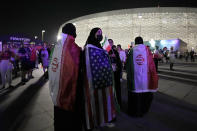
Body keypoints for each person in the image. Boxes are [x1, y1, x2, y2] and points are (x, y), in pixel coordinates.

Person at [49, 23, 83, 131]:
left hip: (57, 90)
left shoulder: (56, 47)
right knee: (70, 121)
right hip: (71, 93)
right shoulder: (75, 49)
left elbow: (52, 67)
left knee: (59, 119)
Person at [83, 28, 116, 130]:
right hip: (92, 80)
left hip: (103, 79)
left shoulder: (99, 47)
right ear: (93, 34)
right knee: (94, 102)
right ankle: (94, 122)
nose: (100, 35)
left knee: (103, 101)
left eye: (101, 33)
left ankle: (104, 120)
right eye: (98, 33)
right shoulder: (88, 47)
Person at [126, 36, 158, 117]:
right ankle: (143, 111)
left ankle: (134, 112)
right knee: (145, 96)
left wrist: (129, 75)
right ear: (142, 42)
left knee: (135, 97)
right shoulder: (147, 50)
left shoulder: (132, 51)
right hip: (145, 79)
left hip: (135, 78)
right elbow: (151, 64)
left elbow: (128, 65)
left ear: (135, 42)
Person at [108, 40, 122, 107]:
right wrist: (109, 56)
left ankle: (118, 102)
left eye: (111, 42)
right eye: (109, 43)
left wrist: (115, 57)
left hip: (116, 72)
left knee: (117, 87)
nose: (110, 44)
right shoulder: (105, 51)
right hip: (109, 73)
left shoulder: (115, 51)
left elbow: (119, 62)